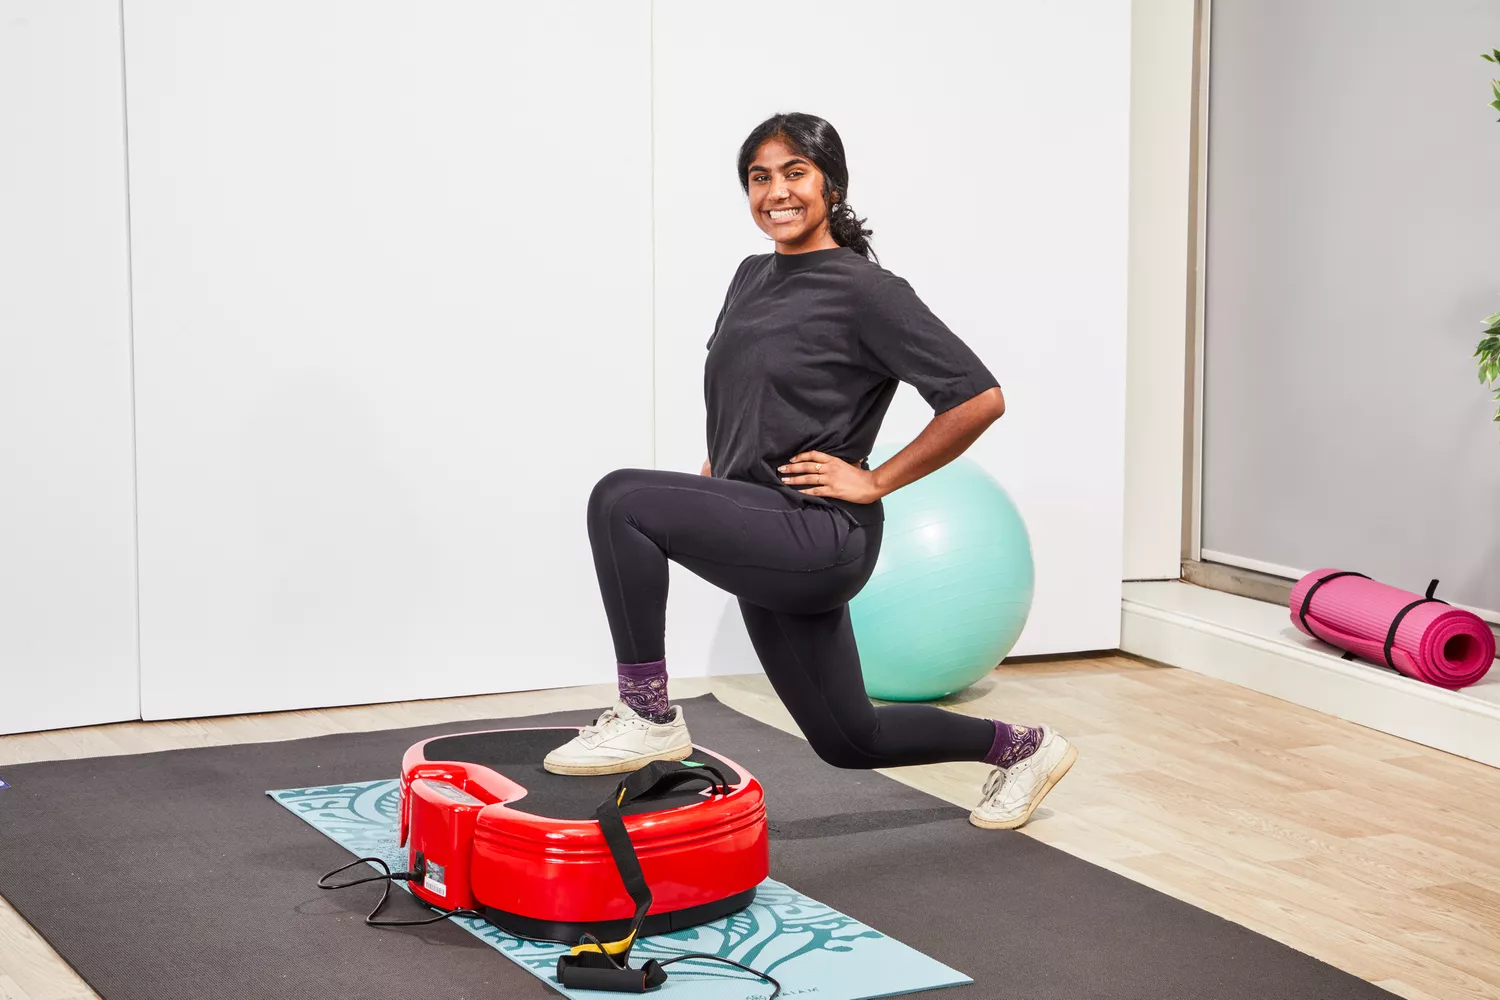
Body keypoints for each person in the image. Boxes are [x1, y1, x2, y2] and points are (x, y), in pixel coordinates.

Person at [544, 113, 1075, 830]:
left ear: (830, 182)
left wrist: (876, 479)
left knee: (619, 499)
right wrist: (714, 474)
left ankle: (647, 712)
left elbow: (979, 398)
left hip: (820, 533)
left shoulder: (868, 291)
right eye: (759, 178)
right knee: (849, 738)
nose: (776, 192)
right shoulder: (750, 275)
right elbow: (748, 387)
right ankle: (1024, 749)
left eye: (794, 172)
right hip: (762, 522)